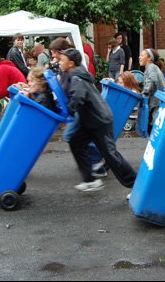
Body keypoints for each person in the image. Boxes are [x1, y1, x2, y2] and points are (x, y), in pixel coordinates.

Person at [59, 48, 136, 194]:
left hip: (99, 121)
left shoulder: (76, 77)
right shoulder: (74, 74)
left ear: (71, 63)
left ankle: (136, 185)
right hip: (89, 121)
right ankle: (90, 180)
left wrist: (68, 111)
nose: (59, 62)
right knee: (75, 142)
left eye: (62, 60)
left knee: (111, 156)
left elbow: (78, 98)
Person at [49, 37, 107, 178]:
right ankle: (94, 164)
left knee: (72, 136)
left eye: (54, 53)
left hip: (82, 107)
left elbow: (76, 90)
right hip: (79, 107)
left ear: (61, 52)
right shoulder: (64, 66)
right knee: (81, 138)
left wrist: (69, 107)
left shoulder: (73, 68)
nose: (53, 56)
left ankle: (96, 164)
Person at [139, 48, 165, 135]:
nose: (140, 57)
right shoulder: (151, 67)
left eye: (142, 55)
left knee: (155, 129)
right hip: (156, 101)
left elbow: (151, 81)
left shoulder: (151, 67)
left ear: (149, 58)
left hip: (156, 102)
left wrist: (143, 93)